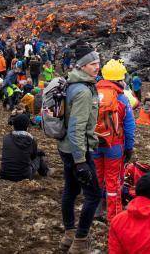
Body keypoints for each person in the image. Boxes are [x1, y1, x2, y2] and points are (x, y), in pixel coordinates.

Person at [58, 42, 102, 254]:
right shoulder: (84, 92)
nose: (97, 67)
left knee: (71, 190)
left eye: (98, 63)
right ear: (83, 66)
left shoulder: (71, 83)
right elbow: (76, 127)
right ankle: (80, 241)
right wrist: (81, 161)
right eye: (93, 63)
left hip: (66, 147)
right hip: (78, 151)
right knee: (94, 195)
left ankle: (68, 236)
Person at [94, 59, 136, 221]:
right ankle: (114, 215)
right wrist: (129, 148)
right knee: (113, 181)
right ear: (119, 79)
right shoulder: (122, 98)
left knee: (97, 176)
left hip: (95, 142)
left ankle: (95, 208)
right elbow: (129, 127)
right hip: (115, 145)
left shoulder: (93, 93)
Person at [0, 112, 48, 181]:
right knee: (39, 156)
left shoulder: (6, 138)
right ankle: (45, 172)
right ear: (27, 126)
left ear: (14, 125)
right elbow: (33, 156)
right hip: (24, 176)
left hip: (4, 175)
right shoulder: (31, 139)